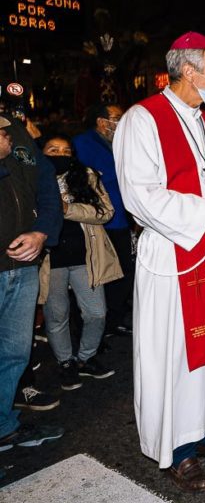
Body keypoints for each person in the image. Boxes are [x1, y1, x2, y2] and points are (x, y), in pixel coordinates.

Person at [114, 32, 205, 492]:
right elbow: (141, 196)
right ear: (189, 71)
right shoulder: (143, 119)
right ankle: (177, 450)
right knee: (177, 355)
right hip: (175, 257)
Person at [0, 114, 64, 452]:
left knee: (14, 352)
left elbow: (47, 188)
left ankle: (3, 425)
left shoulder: (17, 130)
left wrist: (42, 233)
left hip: (22, 267)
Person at [39, 135, 122, 391]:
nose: (60, 154)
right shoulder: (32, 177)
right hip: (49, 259)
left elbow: (105, 212)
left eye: (65, 151)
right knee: (57, 315)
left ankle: (85, 358)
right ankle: (66, 362)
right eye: (53, 149)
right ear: (41, 152)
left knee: (96, 313)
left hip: (86, 256)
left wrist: (68, 209)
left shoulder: (86, 175)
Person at [74, 103, 134, 337]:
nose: (120, 122)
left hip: (121, 218)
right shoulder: (83, 143)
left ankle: (114, 319)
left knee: (124, 271)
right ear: (101, 121)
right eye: (116, 118)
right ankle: (95, 327)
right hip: (99, 221)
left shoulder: (120, 142)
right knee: (101, 273)